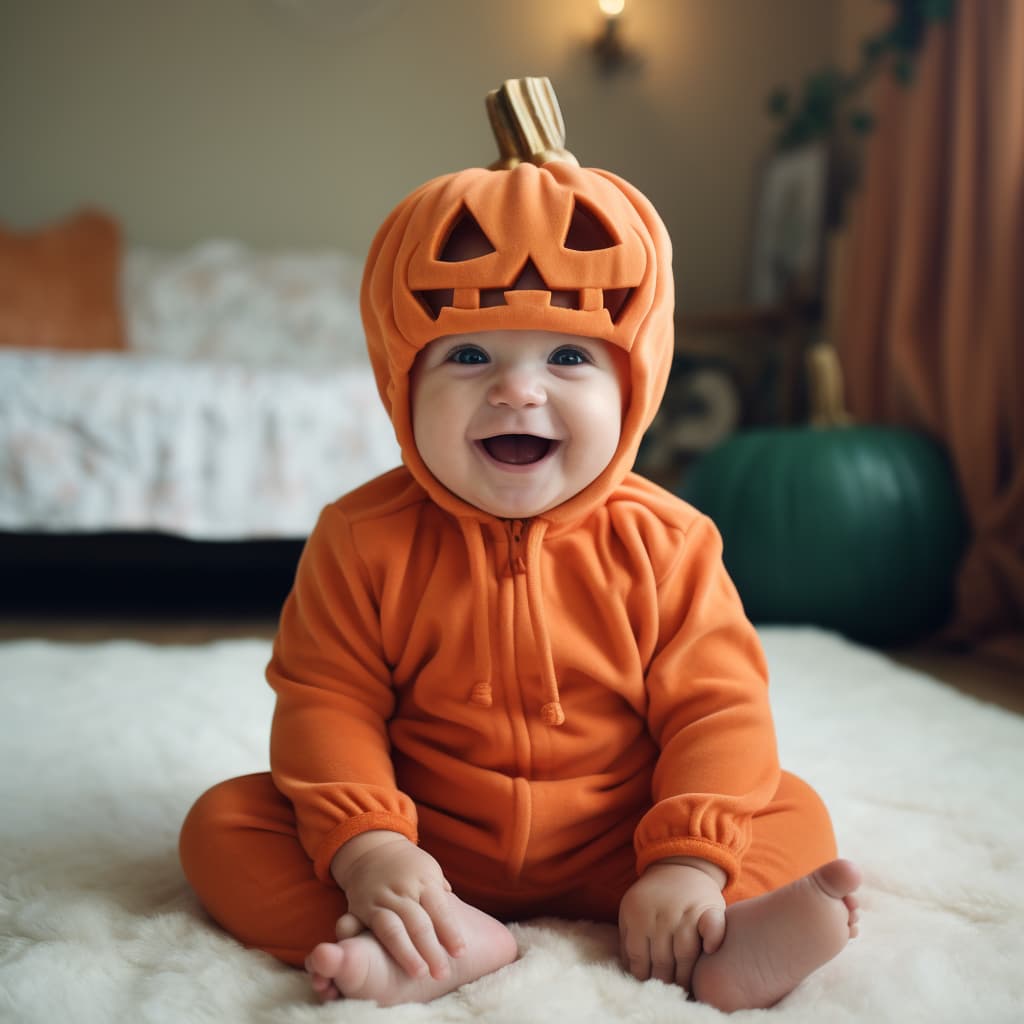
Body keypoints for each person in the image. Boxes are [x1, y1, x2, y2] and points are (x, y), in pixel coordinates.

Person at [179, 82, 860, 1013]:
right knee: (225, 825)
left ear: (637, 385)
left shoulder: (668, 542)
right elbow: (325, 702)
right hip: (426, 848)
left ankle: (705, 932)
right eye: (469, 357)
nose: (517, 393)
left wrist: (689, 859)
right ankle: (430, 939)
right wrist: (370, 846)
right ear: (399, 382)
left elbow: (718, 712)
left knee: (788, 808)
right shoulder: (360, 538)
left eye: (568, 358)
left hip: (621, 839)